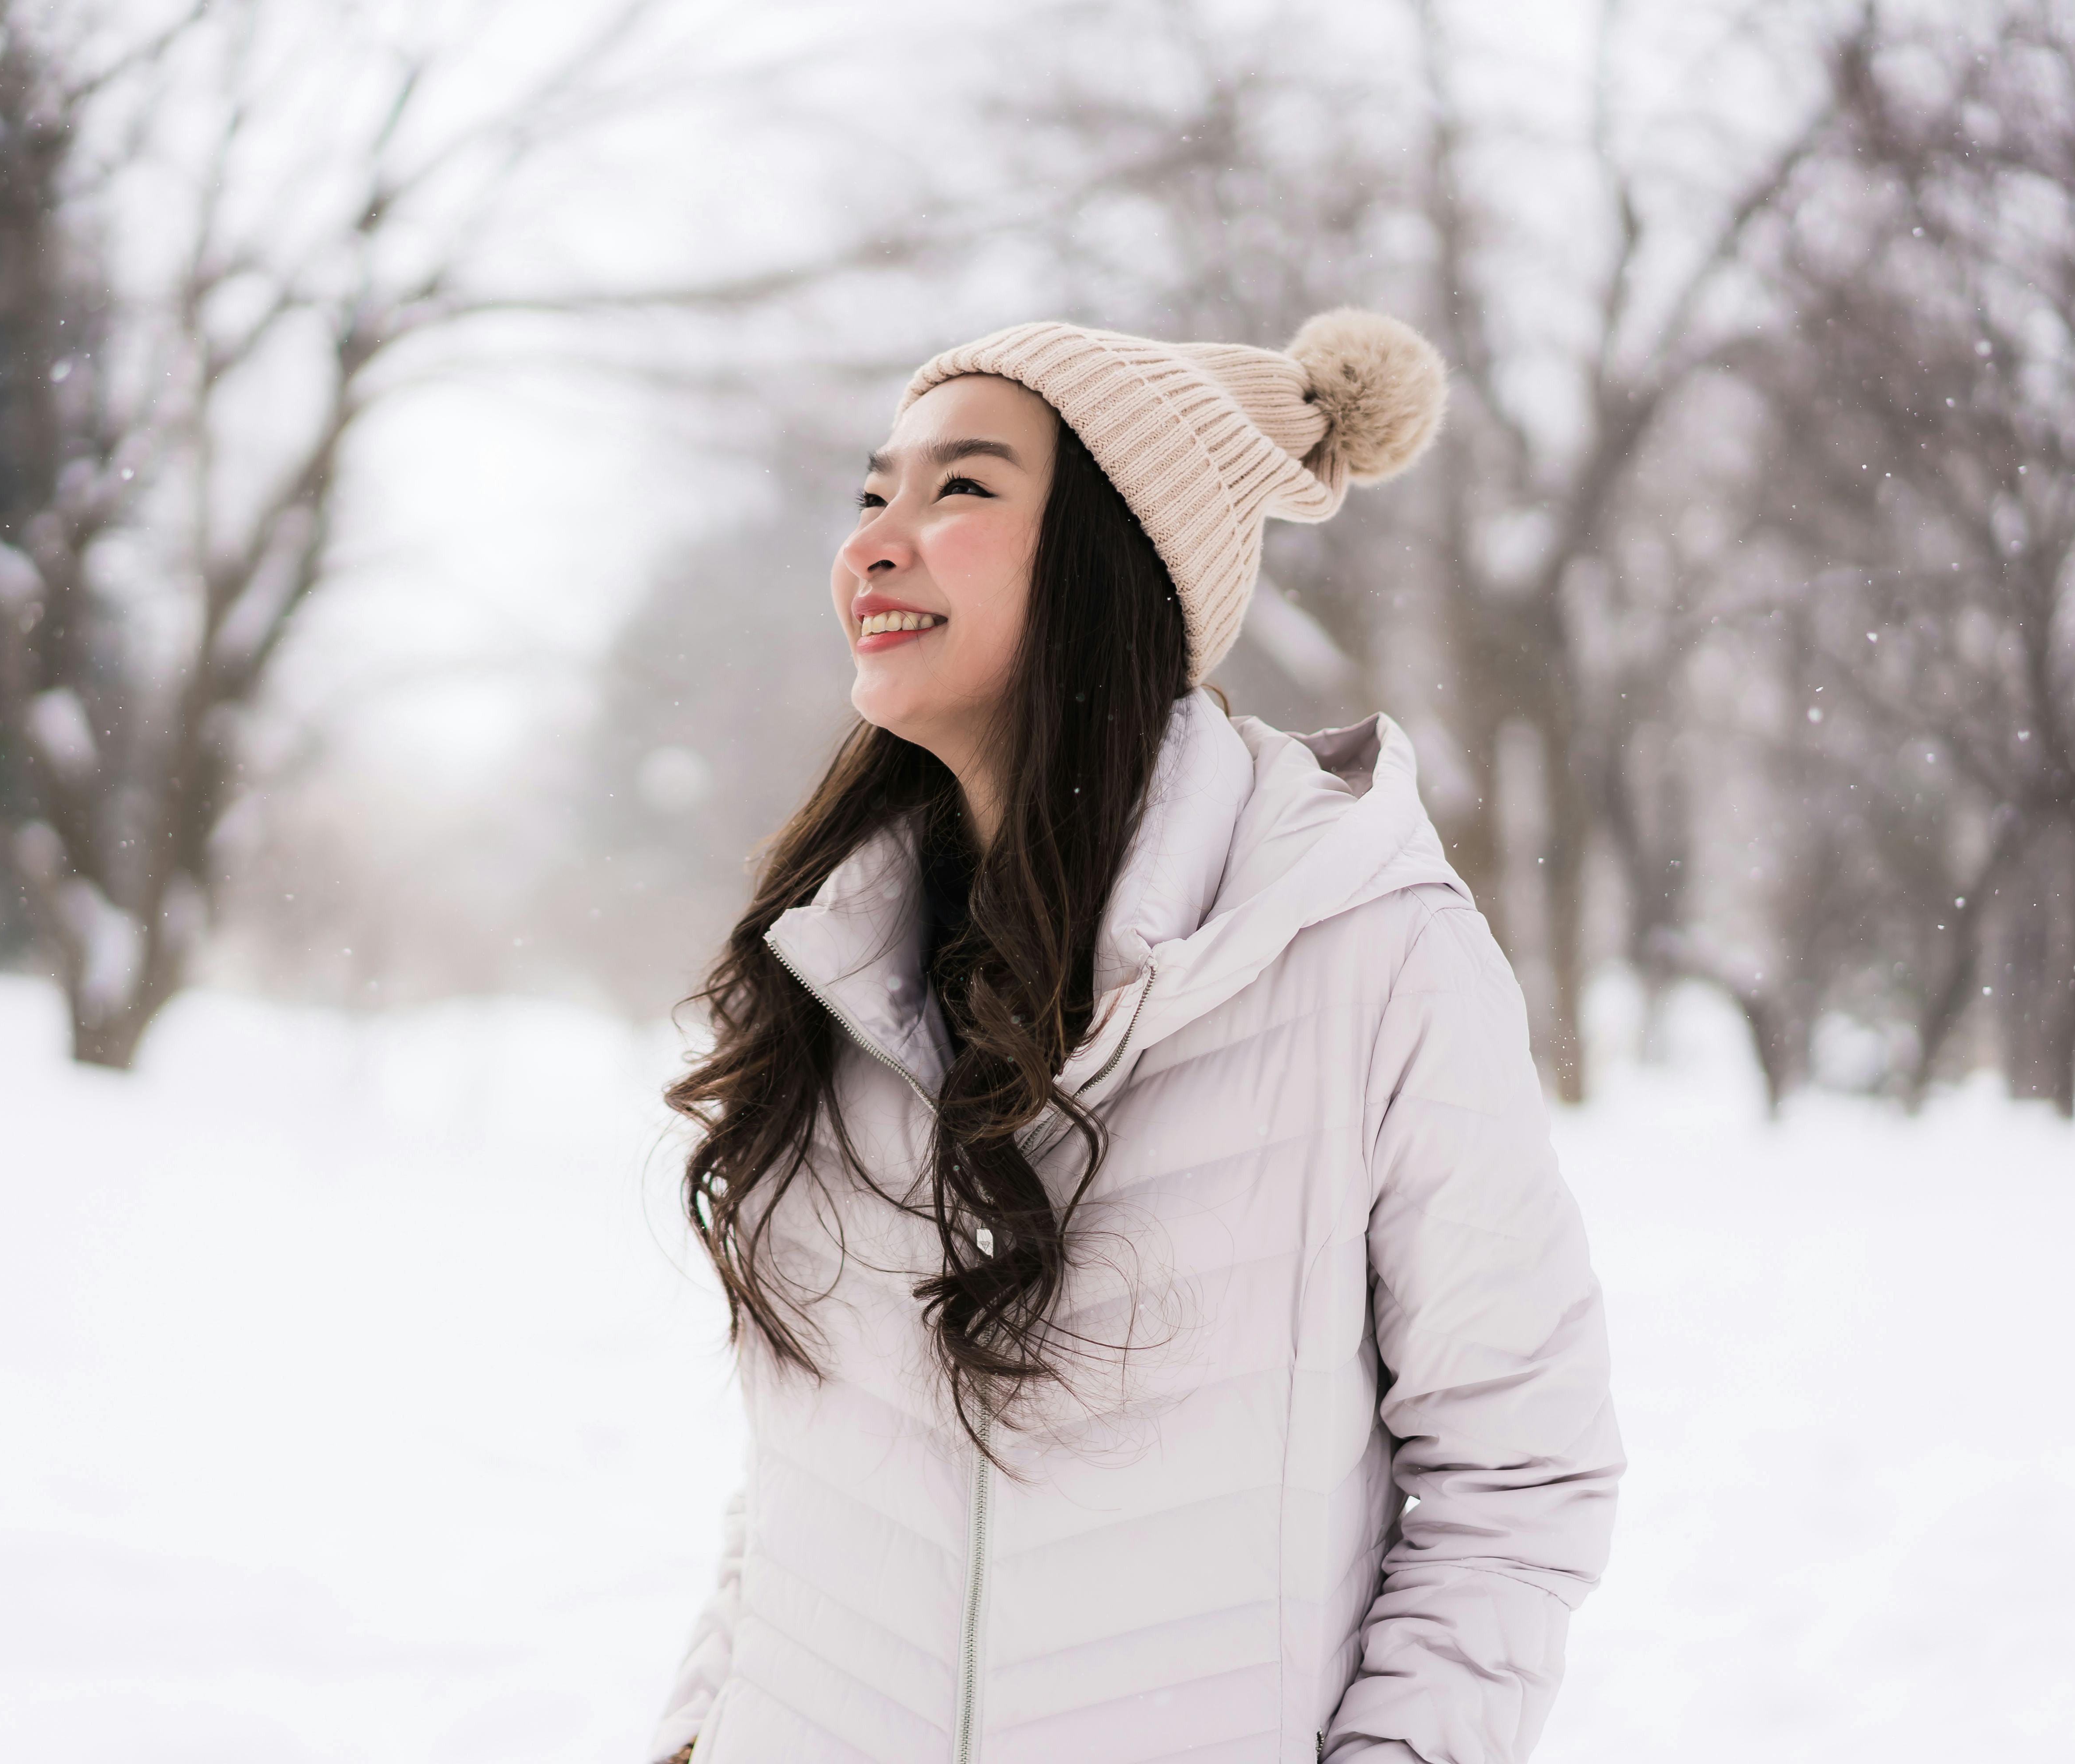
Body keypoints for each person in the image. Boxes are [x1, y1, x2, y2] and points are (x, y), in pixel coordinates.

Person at [653, 312, 1623, 1764]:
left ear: (1118, 559)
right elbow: (803, 1488)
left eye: (960, 489)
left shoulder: (1369, 952)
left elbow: (1516, 1477)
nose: (874, 542)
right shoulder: (836, 965)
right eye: (873, 495)